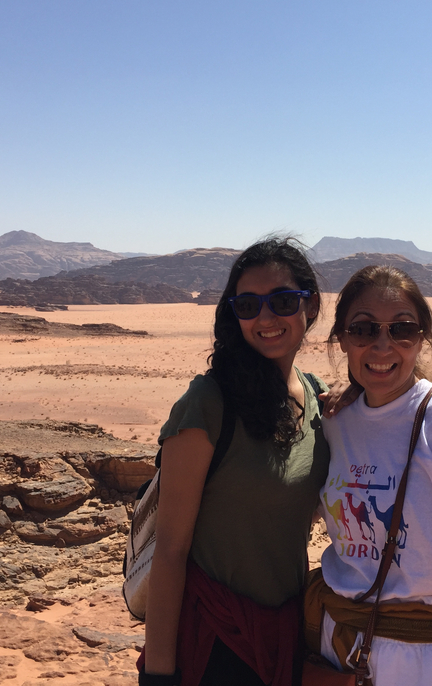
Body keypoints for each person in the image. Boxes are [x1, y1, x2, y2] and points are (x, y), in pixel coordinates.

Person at [306, 265, 432, 686]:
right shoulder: (332, 421)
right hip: (337, 646)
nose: (383, 346)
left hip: (427, 661)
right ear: (342, 339)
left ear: (422, 337)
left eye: (402, 329)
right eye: (363, 330)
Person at [142, 238, 330, 686]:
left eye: (283, 301)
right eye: (248, 305)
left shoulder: (319, 397)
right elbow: (170, 552)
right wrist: (159, 677)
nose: (266, 318)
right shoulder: (208, 403)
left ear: (311, 306)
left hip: (288, 632)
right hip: (216, 641)